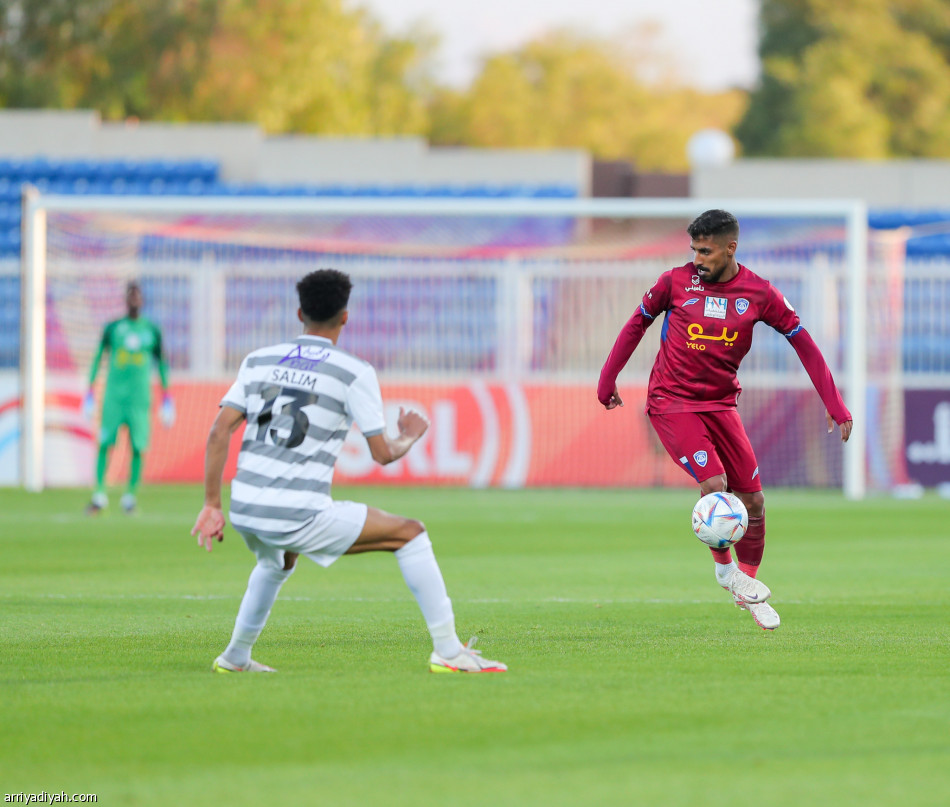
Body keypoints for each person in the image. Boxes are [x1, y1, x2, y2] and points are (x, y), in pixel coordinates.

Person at [191, 268, 506, 674]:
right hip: (297, 512)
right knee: (411, 534)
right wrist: (408, 435)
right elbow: (381, 453)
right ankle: (448, 651)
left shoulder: (259, 360)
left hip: (246, 508)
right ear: (345, 317)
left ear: (299, 312)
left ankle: (235, 657)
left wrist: (211, 504)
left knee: (277, 562)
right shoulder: (353, 371)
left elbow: (219, 431)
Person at [598, 209, 852, 631]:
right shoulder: (674, 283)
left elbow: (802, 342)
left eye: (706, 251)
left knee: (753, 502)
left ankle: (745, 587)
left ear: (730, 248)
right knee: (715, 487)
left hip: (721, 405)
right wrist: (608, 379)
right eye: (694, 250)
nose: (698, 259)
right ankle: (725, 571)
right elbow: (634, 326)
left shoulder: (759, 292)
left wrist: (834, 402)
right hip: (671, 401)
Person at [84, 280, 175, 515]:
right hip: (114, 397)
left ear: (142, 300)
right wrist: (91, 390)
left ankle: (130, 497)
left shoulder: (152, 330)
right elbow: (98, 357)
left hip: (139, 399)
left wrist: (167, 396)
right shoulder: (113, 328)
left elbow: (161, 363)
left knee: (138, 446)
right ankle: (99, 494)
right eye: (130, 296)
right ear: (125, 300)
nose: (134, 300)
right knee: (105, 443)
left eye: (137, 296)